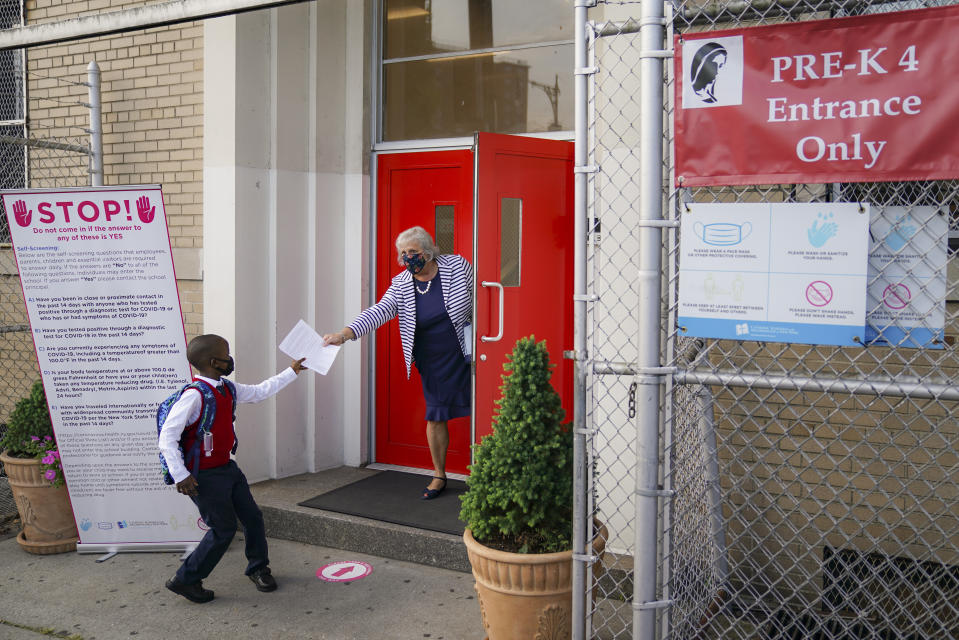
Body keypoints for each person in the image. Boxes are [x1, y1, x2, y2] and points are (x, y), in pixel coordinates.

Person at [323, 226, 472, 500]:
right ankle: (439, 474)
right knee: (436, 414)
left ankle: (488, 474)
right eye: (403, 254)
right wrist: (344, 334)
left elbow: (482, 297)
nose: (407, 258)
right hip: (433, 360)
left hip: (467, 353)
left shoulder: (458, 267)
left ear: (428, 252)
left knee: (482, 409)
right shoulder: (402, 283)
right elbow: (379, 311)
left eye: (412, 252)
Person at [158, 333, 307, 603]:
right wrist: (181, 475)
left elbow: (260, 391)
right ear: (215, 361)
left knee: (252, 517)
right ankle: (185, 579)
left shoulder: (226, 388)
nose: (230, 359)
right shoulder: (193, 396)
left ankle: (258, 568)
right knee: (223, 530)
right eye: (226, 354)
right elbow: (167, 437)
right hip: (202, 477)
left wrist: (291, 371)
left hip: (227, 468)